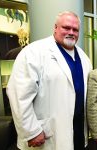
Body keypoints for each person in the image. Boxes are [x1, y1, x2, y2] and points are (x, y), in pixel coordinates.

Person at [6, 11, 92, 150]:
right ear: (55, 27)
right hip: (45, 134)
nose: (71, 32)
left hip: (78, 130)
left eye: (75, 29)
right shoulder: (34, 52)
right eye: (66, 27)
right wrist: (31, 131)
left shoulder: (83, 57)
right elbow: (19, 95)